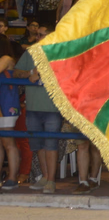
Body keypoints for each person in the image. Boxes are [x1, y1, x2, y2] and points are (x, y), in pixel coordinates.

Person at [14, 26, 63, 193]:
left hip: (53, 107)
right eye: (37, 35)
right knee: (38, 144)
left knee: (50, 144)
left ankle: (51, 180)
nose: (38, 37)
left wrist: (40, 73)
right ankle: (45, 176)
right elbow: (16, 72)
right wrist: (30, 72)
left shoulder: (60, 52)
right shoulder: (31, 52)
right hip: (33, 106)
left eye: (42, 35)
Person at [0, 35, 20, 191]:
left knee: (8, 143)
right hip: (2, 105)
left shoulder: (7, 58)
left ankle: (13, 177)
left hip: (7, 105)